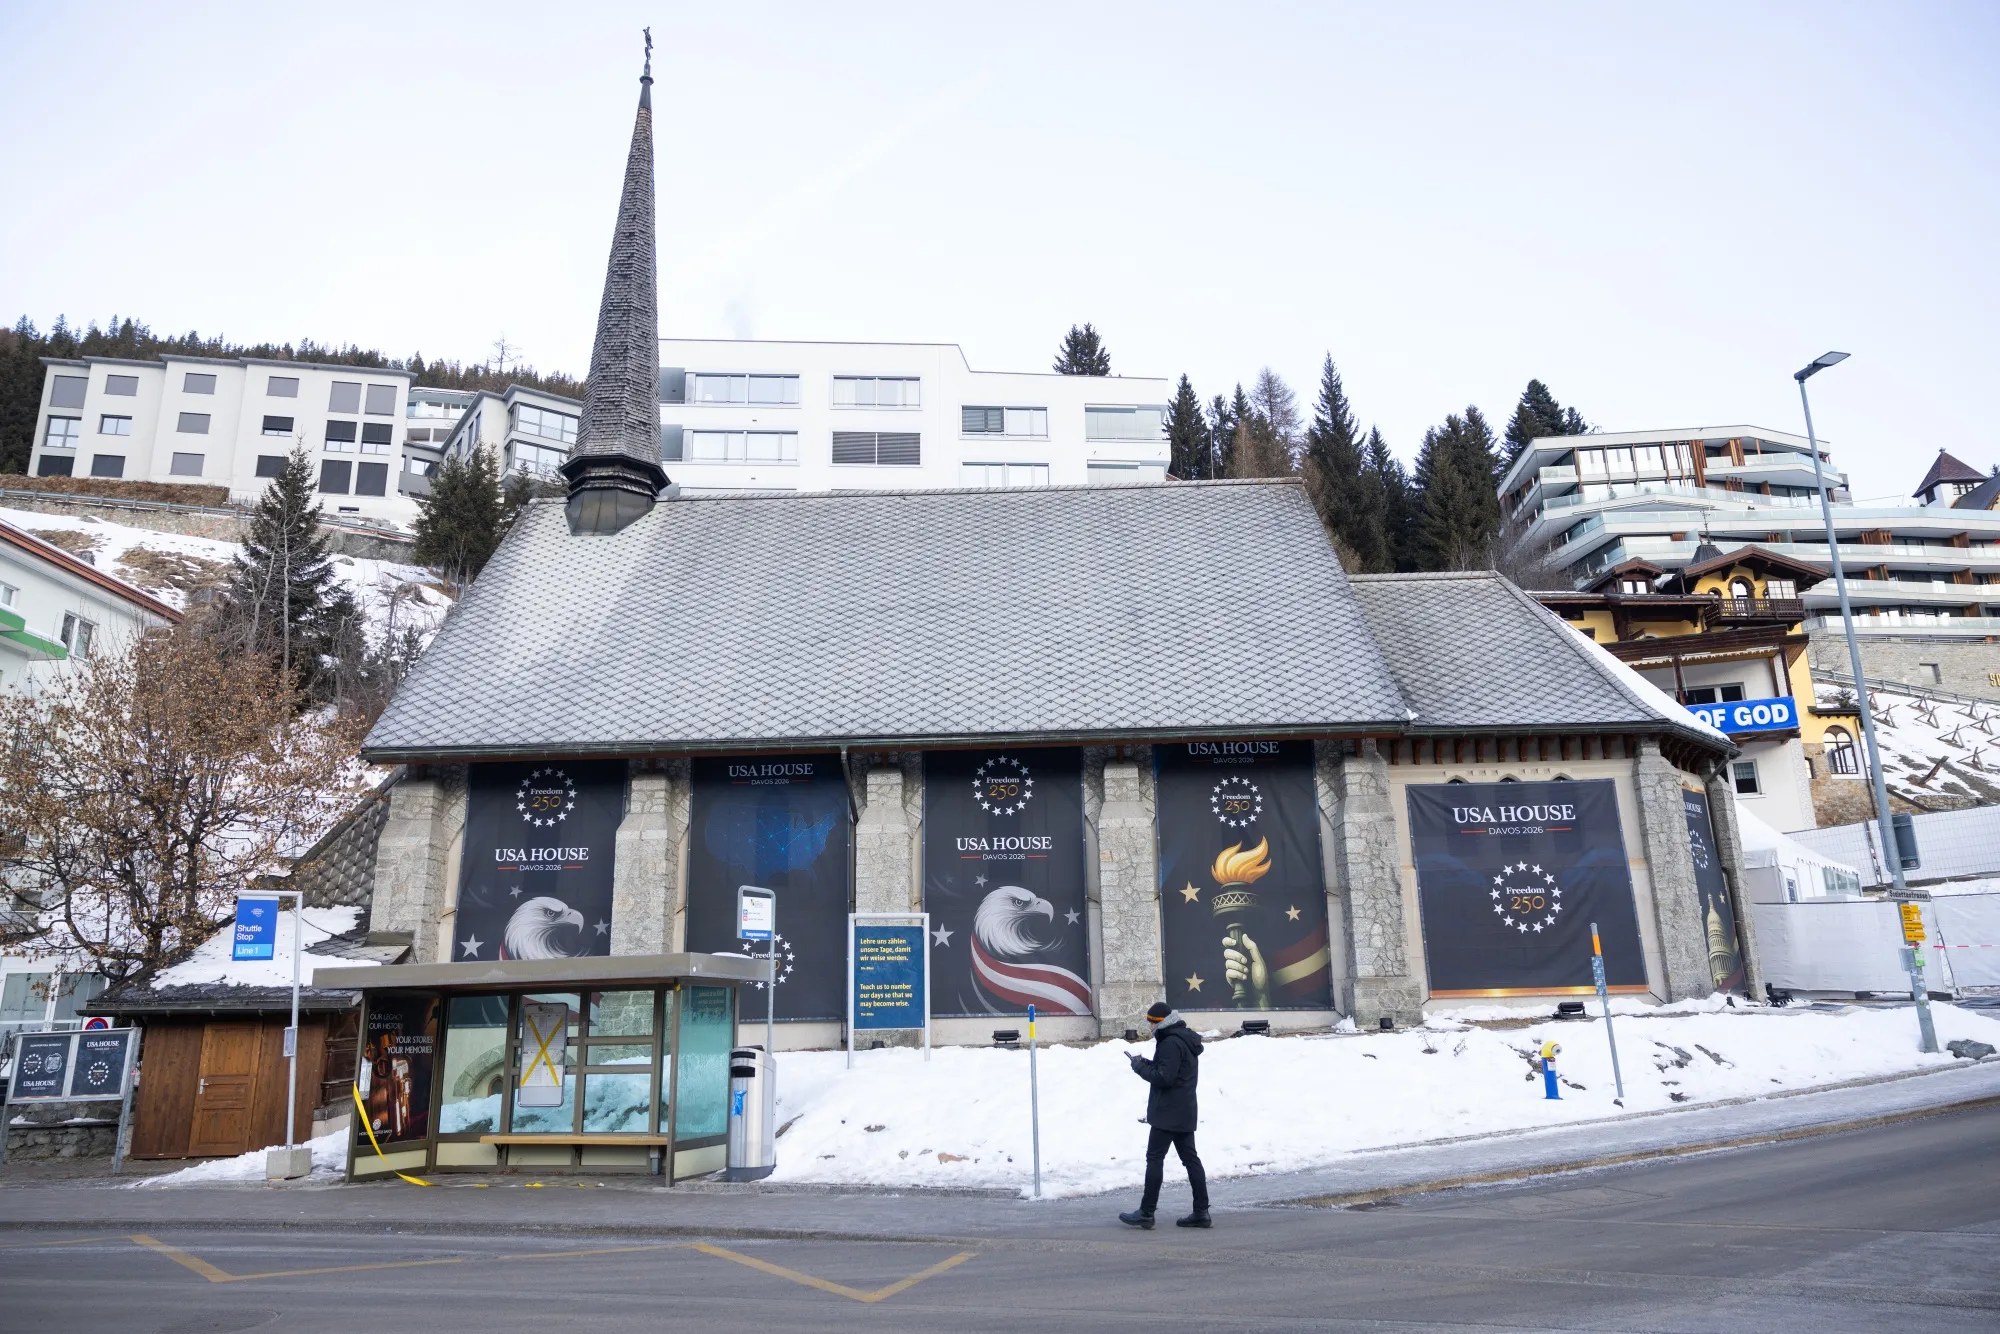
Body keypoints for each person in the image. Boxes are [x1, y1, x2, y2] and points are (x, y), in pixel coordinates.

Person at [1119, 1001, 1211, 1229]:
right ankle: (1201, 1212)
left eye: (1150, 1022)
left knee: (1155, 1159)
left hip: (1168, 1112)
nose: (1148, 1027)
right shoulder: (1182, 1038)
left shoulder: (1170, 1042)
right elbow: (1169, 1070)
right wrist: (1147, 1063)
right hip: (1184, 1109)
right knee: (1190, 1159)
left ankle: (1146, 1212)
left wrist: (1140, 1068)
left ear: (1158, 1022)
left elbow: (1165, 1078)